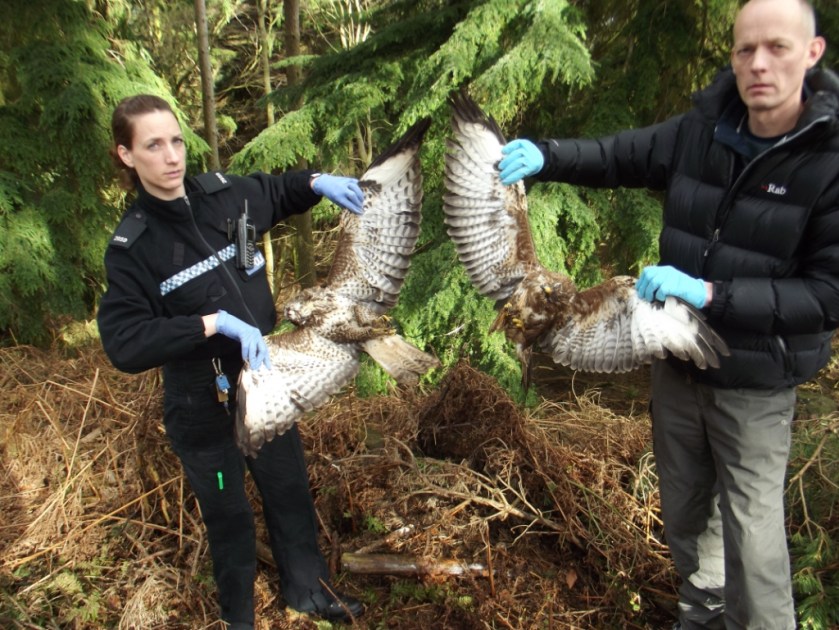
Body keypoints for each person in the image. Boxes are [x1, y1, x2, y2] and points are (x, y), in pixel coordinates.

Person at [497, 0, 838, 628]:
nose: (758, 63)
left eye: (777, 48)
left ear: (812, 54)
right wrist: (548, 153)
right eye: (745, 49)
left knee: (753, 538)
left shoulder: (829, 160)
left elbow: (827, 295)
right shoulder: (702, 128)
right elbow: (620, 156)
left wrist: (711, 294)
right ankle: (701, 616)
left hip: (754, 382)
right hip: (676, 366)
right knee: (683, 513)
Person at [97, 94, 365, 629]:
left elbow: (275, 191)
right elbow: (124, 342)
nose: (172, 156)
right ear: (126, 155)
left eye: (176, 140)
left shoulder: (223, 197)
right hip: (203, 400)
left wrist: (317, 183)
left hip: (263, 383)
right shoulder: (134, 249)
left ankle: (307, 593)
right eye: (153, 145)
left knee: (289, 488)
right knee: (229, 513)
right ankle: (238, 616)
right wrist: (212, 324)